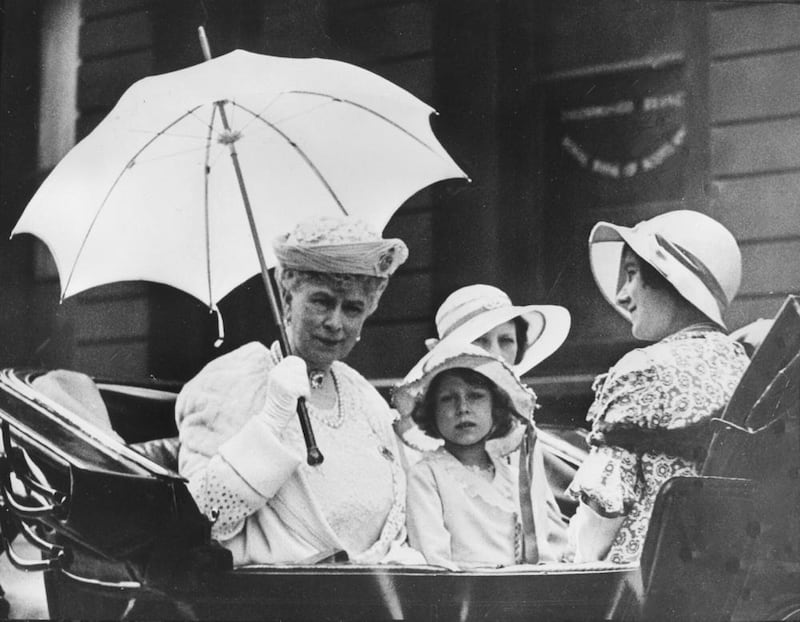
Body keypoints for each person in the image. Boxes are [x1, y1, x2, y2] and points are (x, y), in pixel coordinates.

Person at [175, 216, 422, 566]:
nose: (335, 323)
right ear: (288, 299)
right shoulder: (235, 379)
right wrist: (271, 421)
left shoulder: (363, 395)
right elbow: (199, 520)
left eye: (352, 308)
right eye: (321, 301)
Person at [565, 210, 750, 564]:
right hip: (723, 576)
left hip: (641, 590)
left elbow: (597, 529)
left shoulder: (643, 369)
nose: (621, 295)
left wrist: (568, 553)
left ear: (671, 279)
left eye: (632, 274)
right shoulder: (742, 364)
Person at [394, 343, 551, 569]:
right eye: (448, 399)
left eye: (475, 396)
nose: (463, 408)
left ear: (496, 408)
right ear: (430, 411)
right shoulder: (427, 475)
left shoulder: (516, 479)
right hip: (460, 595)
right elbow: (433, 559)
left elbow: (539, 552)